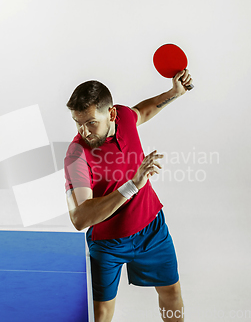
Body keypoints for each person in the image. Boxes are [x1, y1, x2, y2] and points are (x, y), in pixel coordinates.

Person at [63, 70, 193, 322]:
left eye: (91, 122)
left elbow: (141, 112)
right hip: (107, 243)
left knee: (171, 293)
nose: (84, 131)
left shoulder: (122, 115)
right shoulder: (76, 154)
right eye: (78, 122)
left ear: (111, 114)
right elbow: (79, 219)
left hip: (152, 230)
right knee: (100, 314)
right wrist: (132, 185)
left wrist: (174, 93)